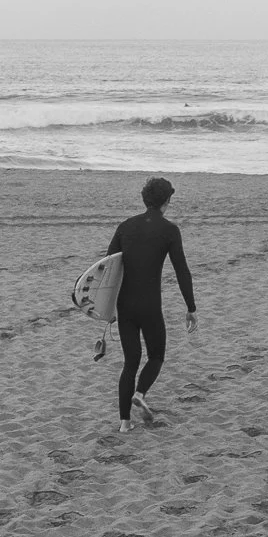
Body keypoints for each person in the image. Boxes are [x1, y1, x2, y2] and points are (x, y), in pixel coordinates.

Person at [106, 176, 197, 431]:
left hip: (125, 305)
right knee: (156, 356)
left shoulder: (125, 226)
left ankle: (124, 423)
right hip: (150, 306)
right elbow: (182, 271)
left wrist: (107, 308)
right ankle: (141, 393)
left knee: (130, 361)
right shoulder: (169, 231)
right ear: (167, 201)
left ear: (145, 199)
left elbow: (109, 269)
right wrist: (191, 307)